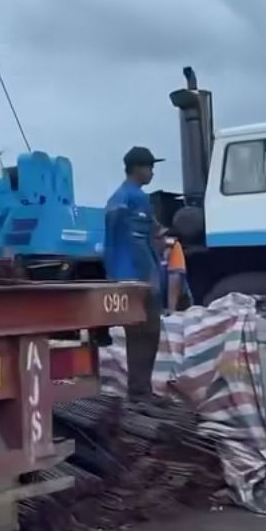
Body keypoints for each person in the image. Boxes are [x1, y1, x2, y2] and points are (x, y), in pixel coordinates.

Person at [103, 146, 164, 399]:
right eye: (150, 167)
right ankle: (141, 391)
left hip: (121, 276)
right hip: (138, 278)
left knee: (135, 334)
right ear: (137, 168)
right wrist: (151, 276)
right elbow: (139, 240)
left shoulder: (115, 198)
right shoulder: (136, 197)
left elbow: (113, 241)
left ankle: (138, 390)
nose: (152, 172)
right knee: (149, 333)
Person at [154, 224, 193, 313]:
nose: (163, 240)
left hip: (179, 302)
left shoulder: (172, 245)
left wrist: (171, 311)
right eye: (158, 238)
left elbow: (175, 278)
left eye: (163, 236)